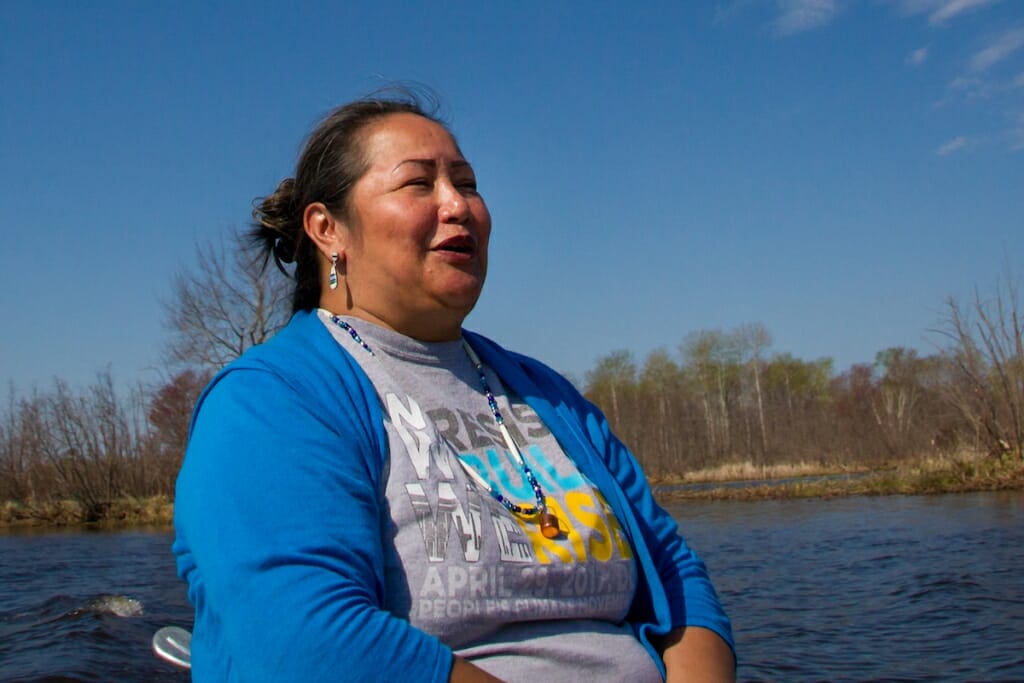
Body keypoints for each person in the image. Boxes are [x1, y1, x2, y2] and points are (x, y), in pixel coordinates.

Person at [173, 91, 735, 682]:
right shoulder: (272, 399)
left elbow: (675, 579)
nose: (458, 206)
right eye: (418, 184)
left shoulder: (550, 396)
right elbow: (296, 639)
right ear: (327, 229)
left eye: (466, 183)